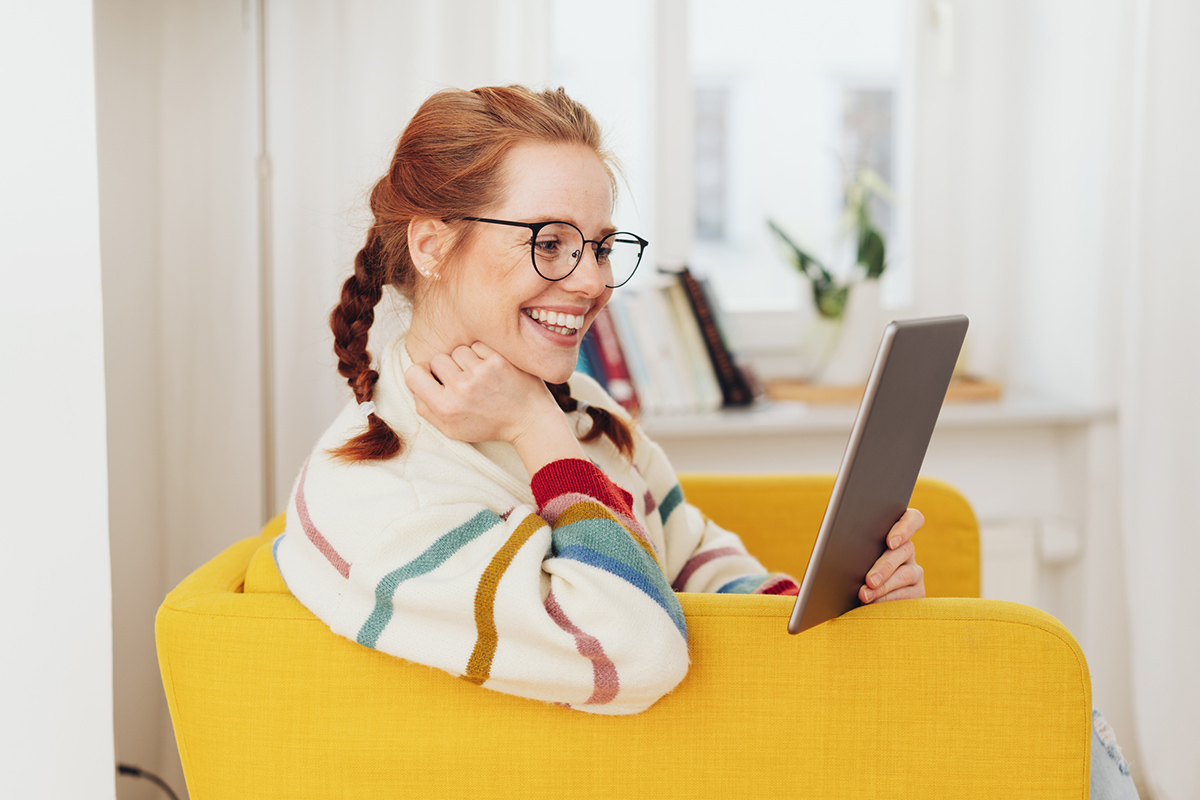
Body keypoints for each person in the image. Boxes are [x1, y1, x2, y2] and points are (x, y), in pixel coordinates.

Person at [271, 84, 1138, 796]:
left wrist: (825, 599)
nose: (593, 280)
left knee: (1041, 709)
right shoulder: (380, 489)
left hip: (719, 747)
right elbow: (634, 646)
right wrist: (536, 433)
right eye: (551, 244)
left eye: (604, 246)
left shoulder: (582, 411)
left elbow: (689, 557)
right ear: (430, 243)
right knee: (1030, 719)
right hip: (666, 771)